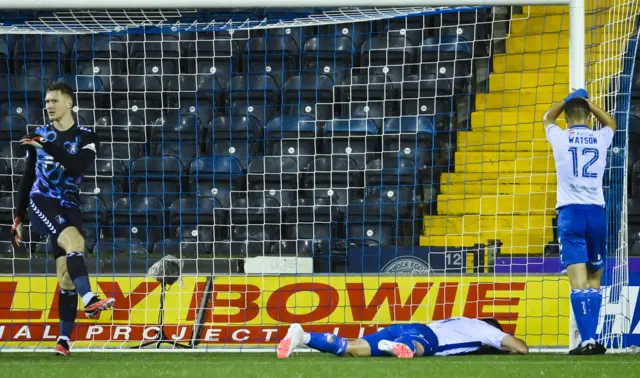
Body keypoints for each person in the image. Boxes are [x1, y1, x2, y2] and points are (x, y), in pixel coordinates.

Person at [11, 82, 115, 356]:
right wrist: (17, 217)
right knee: (75, 241)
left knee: (66, 277)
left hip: (69, 206)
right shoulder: (39, 135)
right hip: (41, 201)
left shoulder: (87, 136)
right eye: (46, 101)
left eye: (54, 101)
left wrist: (45, 144)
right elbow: (28, 177)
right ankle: (91, 299)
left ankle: (64, 341)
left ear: (68, 104)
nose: (48, 105)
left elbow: (76, 166)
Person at [543, 88, 617, 355]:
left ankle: (585, 341)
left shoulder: (561, 137)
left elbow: (547, 118)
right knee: (595, 277)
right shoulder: (600, 138)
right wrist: (590, 104)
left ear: (566, 119)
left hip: (570, 214)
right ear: (588, 117)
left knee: (577, 282)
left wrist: (565, 101)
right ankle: (592, 339)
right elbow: (611, 122)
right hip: (596, 213)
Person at [276, 317, 528, 359]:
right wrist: (499, 343)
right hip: (426, 336)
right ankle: (399, 347)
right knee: (418, 348)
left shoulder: (461, 320)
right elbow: (521, 348)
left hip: (407, 326)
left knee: (351, 348)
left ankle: (304, 336)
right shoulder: (486, 331)